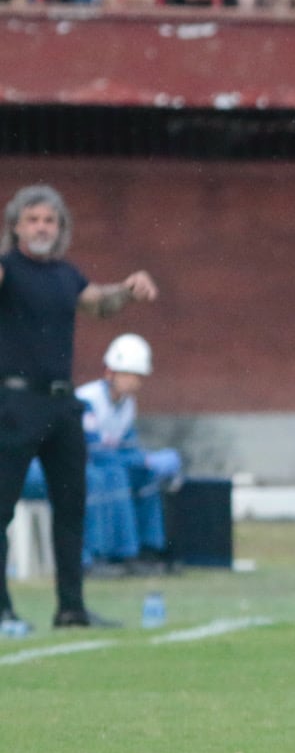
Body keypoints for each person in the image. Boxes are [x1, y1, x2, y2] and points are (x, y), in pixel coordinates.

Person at [0, 185, 159, 634]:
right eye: (32, 219)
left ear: (61, 228)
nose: (41, 227)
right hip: (13, 401)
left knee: (72, 507)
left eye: (49, 220)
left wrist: (127, 290)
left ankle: (71, 609)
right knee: (2, 511)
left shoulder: (67, 275)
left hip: (61, 404)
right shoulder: (8, 269)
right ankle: (3, 610)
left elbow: (99, 303)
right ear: (16, 226)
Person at [76, 332, 180, 575]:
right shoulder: (88, 400)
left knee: (146, 477)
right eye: (129, 374)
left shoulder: (127, 404)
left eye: (138, 376)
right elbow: (93, 450)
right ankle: (108, 554)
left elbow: (128, 448)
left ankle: (148, 549)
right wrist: (143, 459)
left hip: (109, 464)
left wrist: (147, 463)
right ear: (110, 373)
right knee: (110, 477)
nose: (135, 382)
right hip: (87, 465)